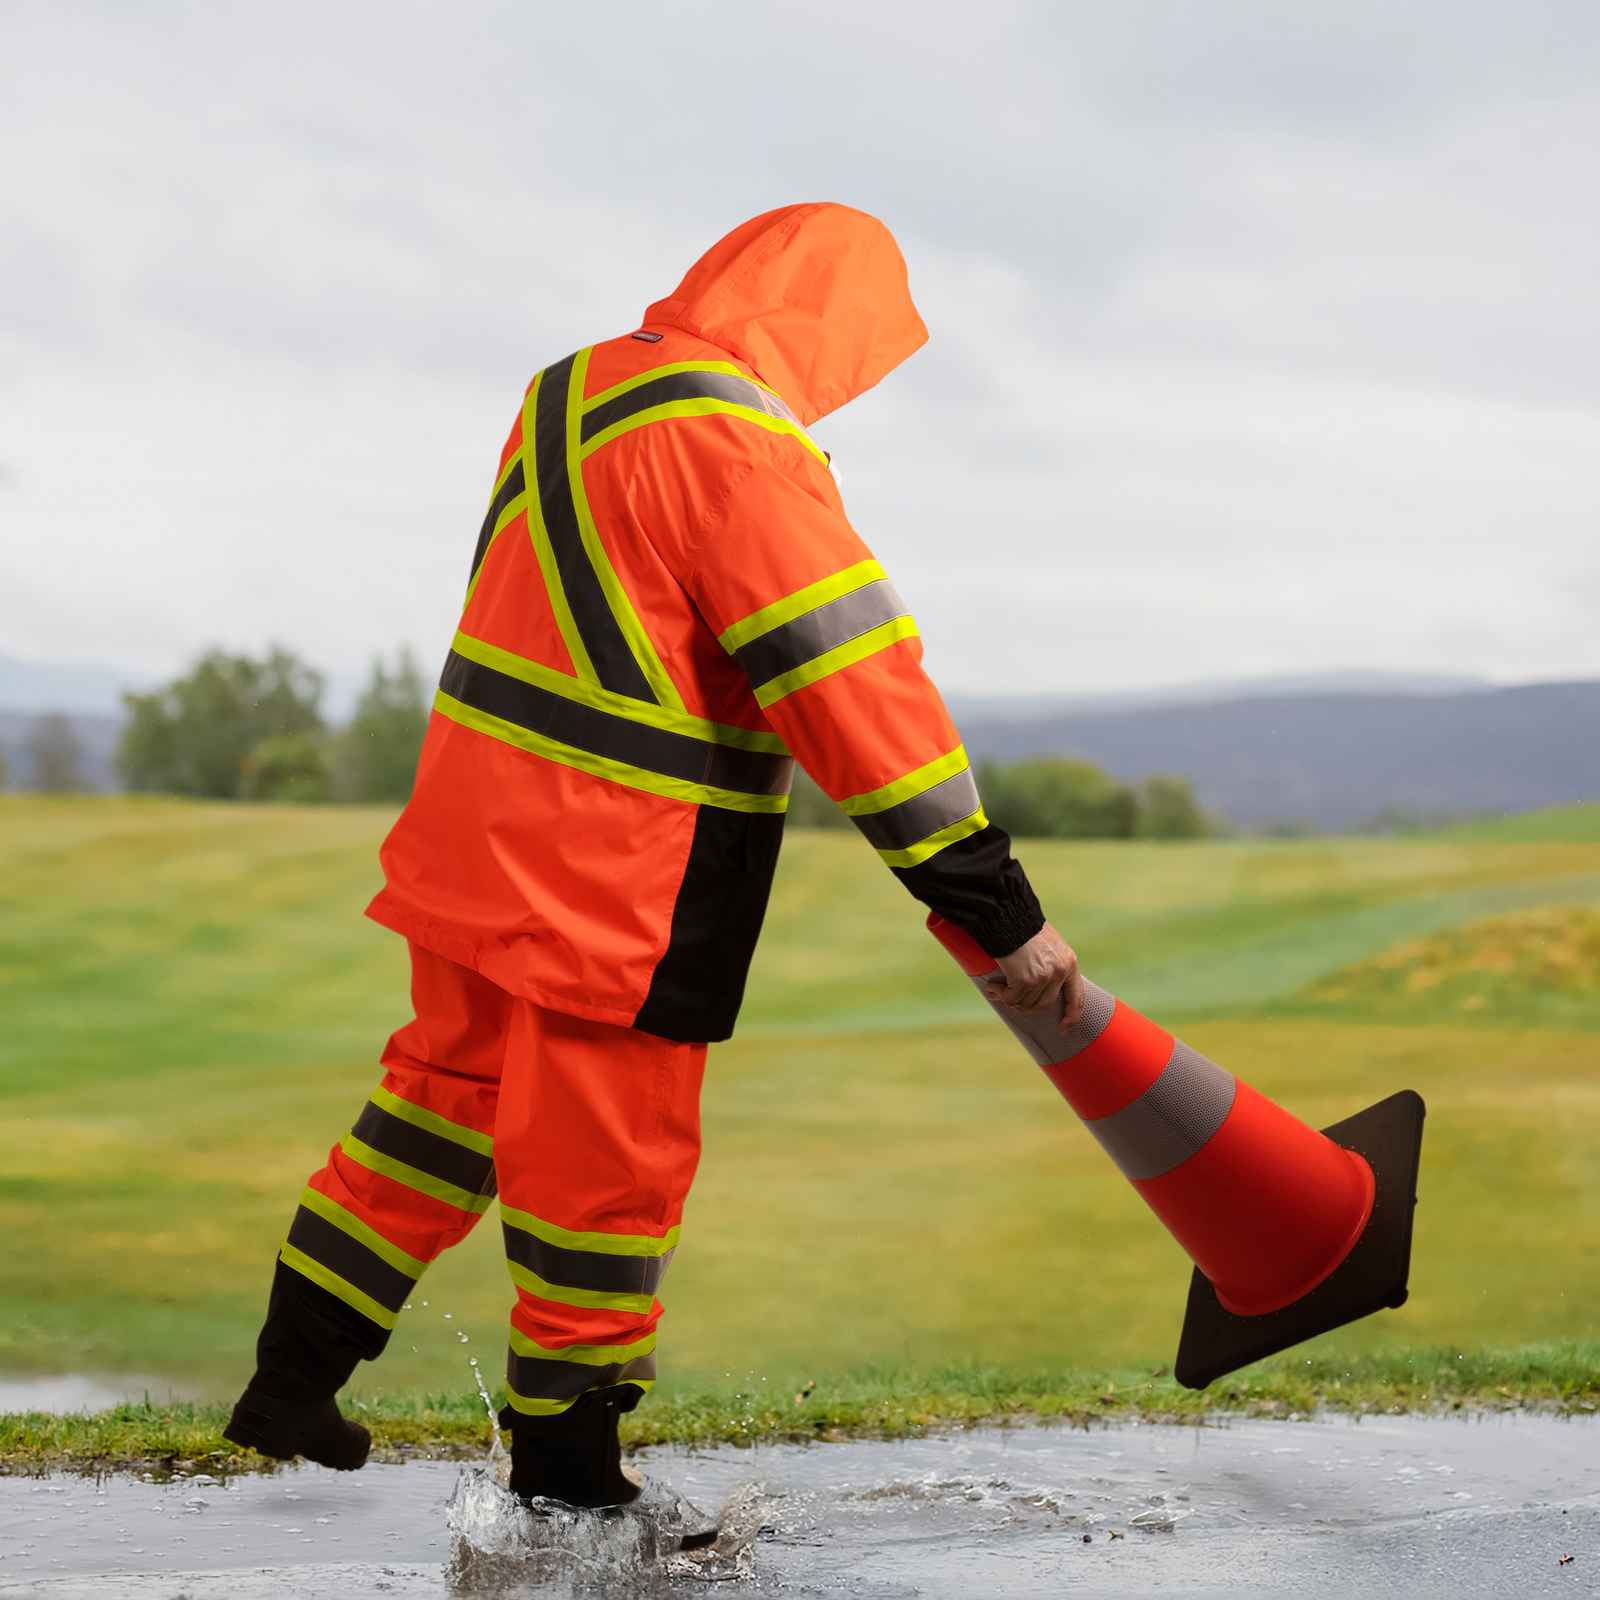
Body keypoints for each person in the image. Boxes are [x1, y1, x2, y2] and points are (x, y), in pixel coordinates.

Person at [223, 202, 1084, 1512]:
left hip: (473, 842)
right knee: (604, 1176)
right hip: (613, 881)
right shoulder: (740, 447)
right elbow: (853, 687)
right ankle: (570, 1478)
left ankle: (291, 1381)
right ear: (829, 325)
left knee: (436, 1103)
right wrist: (990, 902)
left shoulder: (569, 393)